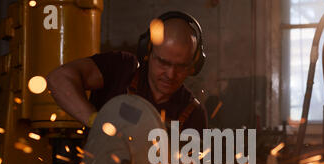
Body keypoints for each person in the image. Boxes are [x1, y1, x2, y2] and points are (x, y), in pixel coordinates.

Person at [46, 11, 208, 136]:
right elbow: (58, 79)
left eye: (181, 66)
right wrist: (96, 121)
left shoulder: (193, 113)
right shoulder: (121, 69)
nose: (171, 74)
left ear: (194, 66)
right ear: (147, 52)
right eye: (163, 62)